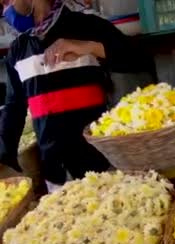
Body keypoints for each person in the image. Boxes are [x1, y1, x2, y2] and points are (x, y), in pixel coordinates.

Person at [0, 0, 150, 191]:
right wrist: (5, 154)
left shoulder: (87, 26)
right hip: (55, 173)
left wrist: (90, 47)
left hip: (100, 164)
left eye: (7, 1)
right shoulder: (18, 50)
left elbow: (137, 59)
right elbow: (14, 107)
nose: (5, 9)